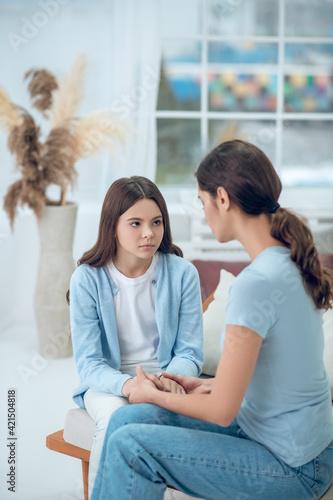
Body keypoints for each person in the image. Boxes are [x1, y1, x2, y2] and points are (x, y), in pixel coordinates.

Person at [90, 140, 333, 500]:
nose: (203, 214)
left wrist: (149, 394)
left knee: (131, 444)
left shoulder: (256, 284)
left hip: (294, 466)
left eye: (202, 202)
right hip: (290, 440)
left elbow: (221, 413)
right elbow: (277, 372)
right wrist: (203, 385)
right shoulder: (288, 260)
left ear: (222, 198)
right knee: (125, 419)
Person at [69, 176, 203, 497]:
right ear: (112, 226)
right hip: (108, 383)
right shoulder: (87, 279)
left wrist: (164, 380)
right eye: (135, 223)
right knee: (118, 416)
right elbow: (88, 364)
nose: (149, 233)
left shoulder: (183, 273)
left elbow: (190, 353)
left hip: (165, 378)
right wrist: (129, 386)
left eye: (156, 222)